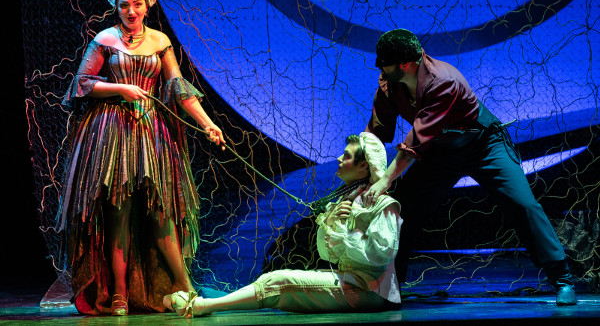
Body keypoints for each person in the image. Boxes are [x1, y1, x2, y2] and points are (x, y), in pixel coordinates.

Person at [56, 0, 225, 315]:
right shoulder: (105, 39)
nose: (131, 10)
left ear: (148, 2)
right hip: (111, 134)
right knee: (119, 212)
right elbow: (81, 84)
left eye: (137, 3)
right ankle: (117, 291)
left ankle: (186, 286)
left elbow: (179, 90)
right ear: (115, 5)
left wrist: (208, 123)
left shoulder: (160, 40)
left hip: (152, 135)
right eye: (123, 4)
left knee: (162, 208)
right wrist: (123, 88)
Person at [362, 28, 577, 306]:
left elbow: (415, 141)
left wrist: (386, 179)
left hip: (483, 144)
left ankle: (562, 278)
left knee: (522, 205)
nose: (380, 68)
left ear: (405, 64)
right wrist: (363, 166)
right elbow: (377, 131)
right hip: (441, 150)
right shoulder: (390, 84)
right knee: (402, 208)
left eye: (385, 63)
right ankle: (391, 283)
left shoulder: (443, 81)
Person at [164, 132, 402, 318]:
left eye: (347, 156)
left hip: (370, 290)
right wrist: (332, 223)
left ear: (363, 167)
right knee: (279, 280)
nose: (340, 159)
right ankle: (205, 304)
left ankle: (202, 306)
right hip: (350, 279)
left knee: (280, 282)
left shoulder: (382, 203)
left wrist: (340, 230)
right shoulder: (346, 199)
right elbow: (326, 253)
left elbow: (381, 254)